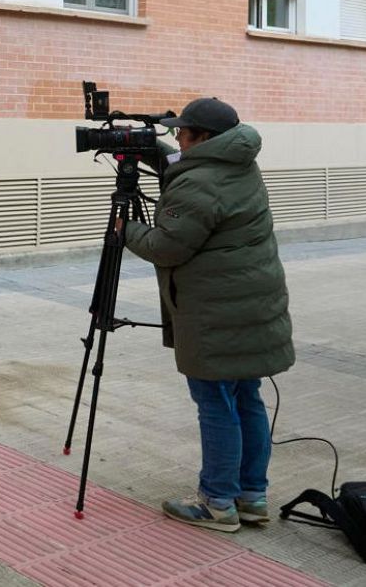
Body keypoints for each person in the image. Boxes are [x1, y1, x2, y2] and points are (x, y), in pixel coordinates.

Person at [119, 96, 293, 533]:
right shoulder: (238, 163)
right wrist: (154, 151)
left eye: (183, 132)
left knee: (215, 403)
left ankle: (217, 502)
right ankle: (251, 497)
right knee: (246, 397)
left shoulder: (199, 183)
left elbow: (166, 246)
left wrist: (127, 229)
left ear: (204, 138)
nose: (177, 137)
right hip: (251, 304)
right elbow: (188, 168)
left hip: (216, 313)